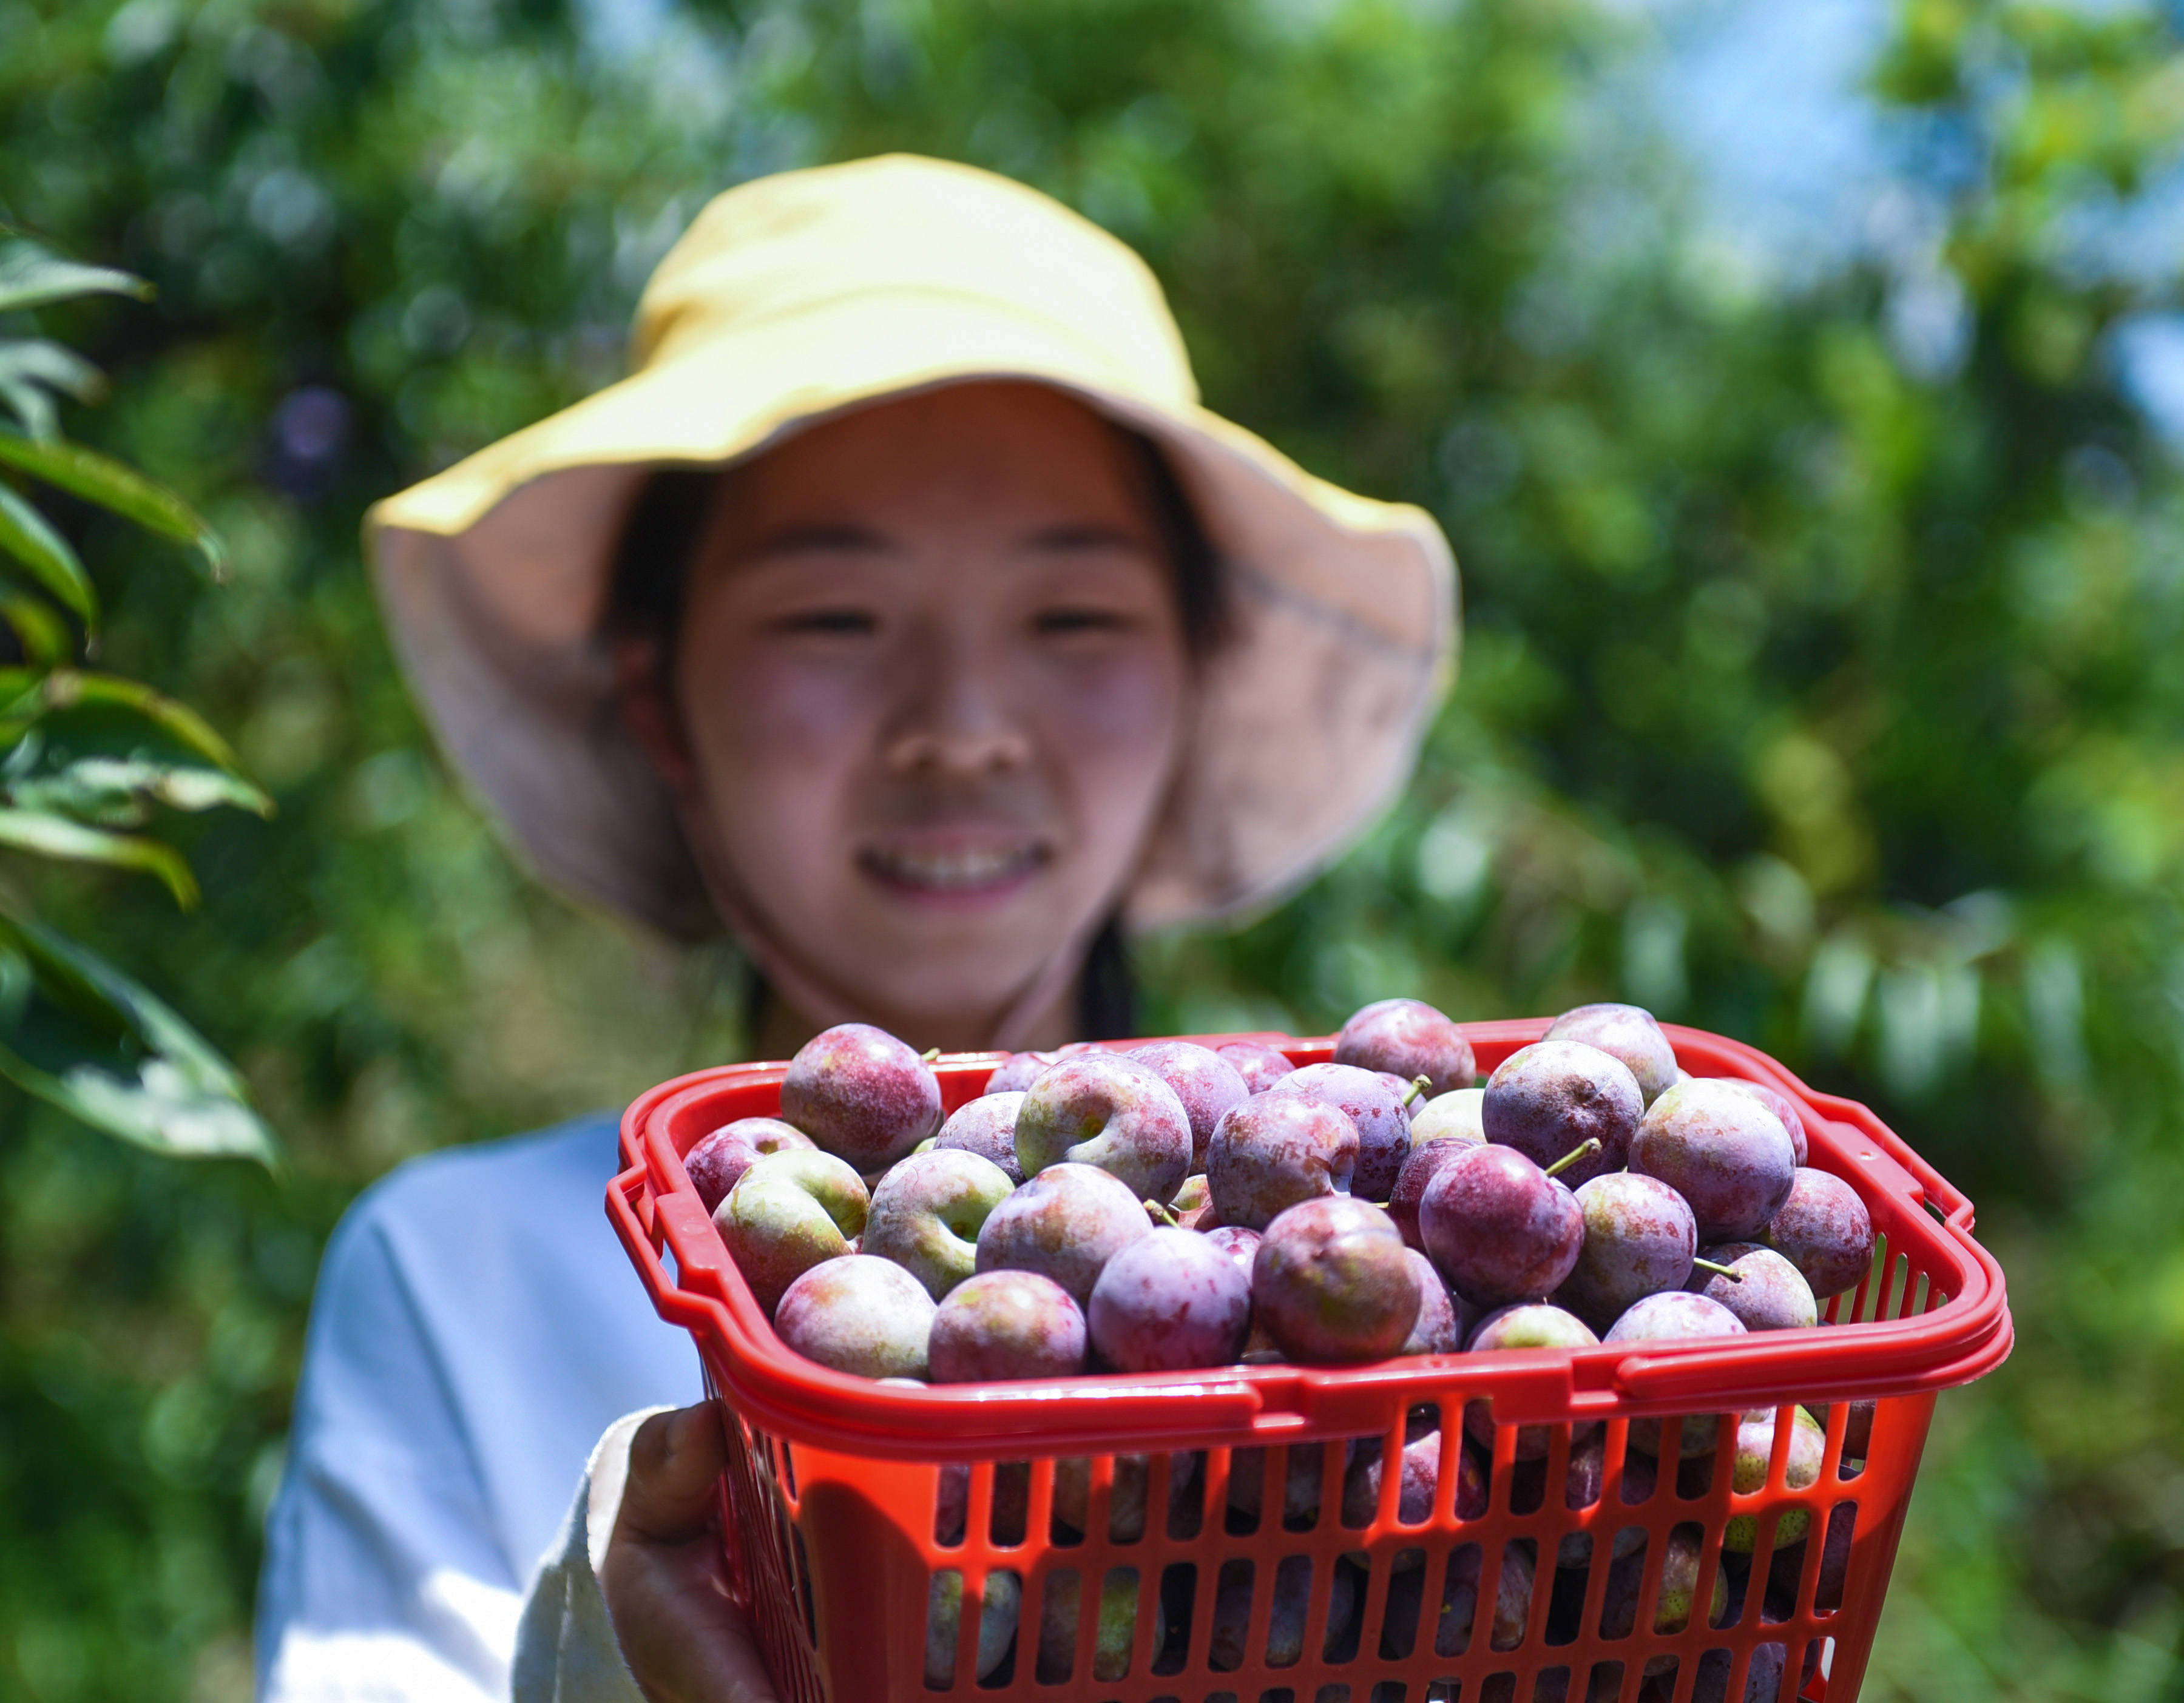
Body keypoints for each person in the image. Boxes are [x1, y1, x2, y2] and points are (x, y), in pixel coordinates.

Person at [254, 154, 1456, 1701]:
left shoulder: (1368, 1266)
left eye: (1071, 619)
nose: (960, 730)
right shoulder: (462, 1276)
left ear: (1191, 682)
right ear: (659, 698)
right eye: (833, 618)